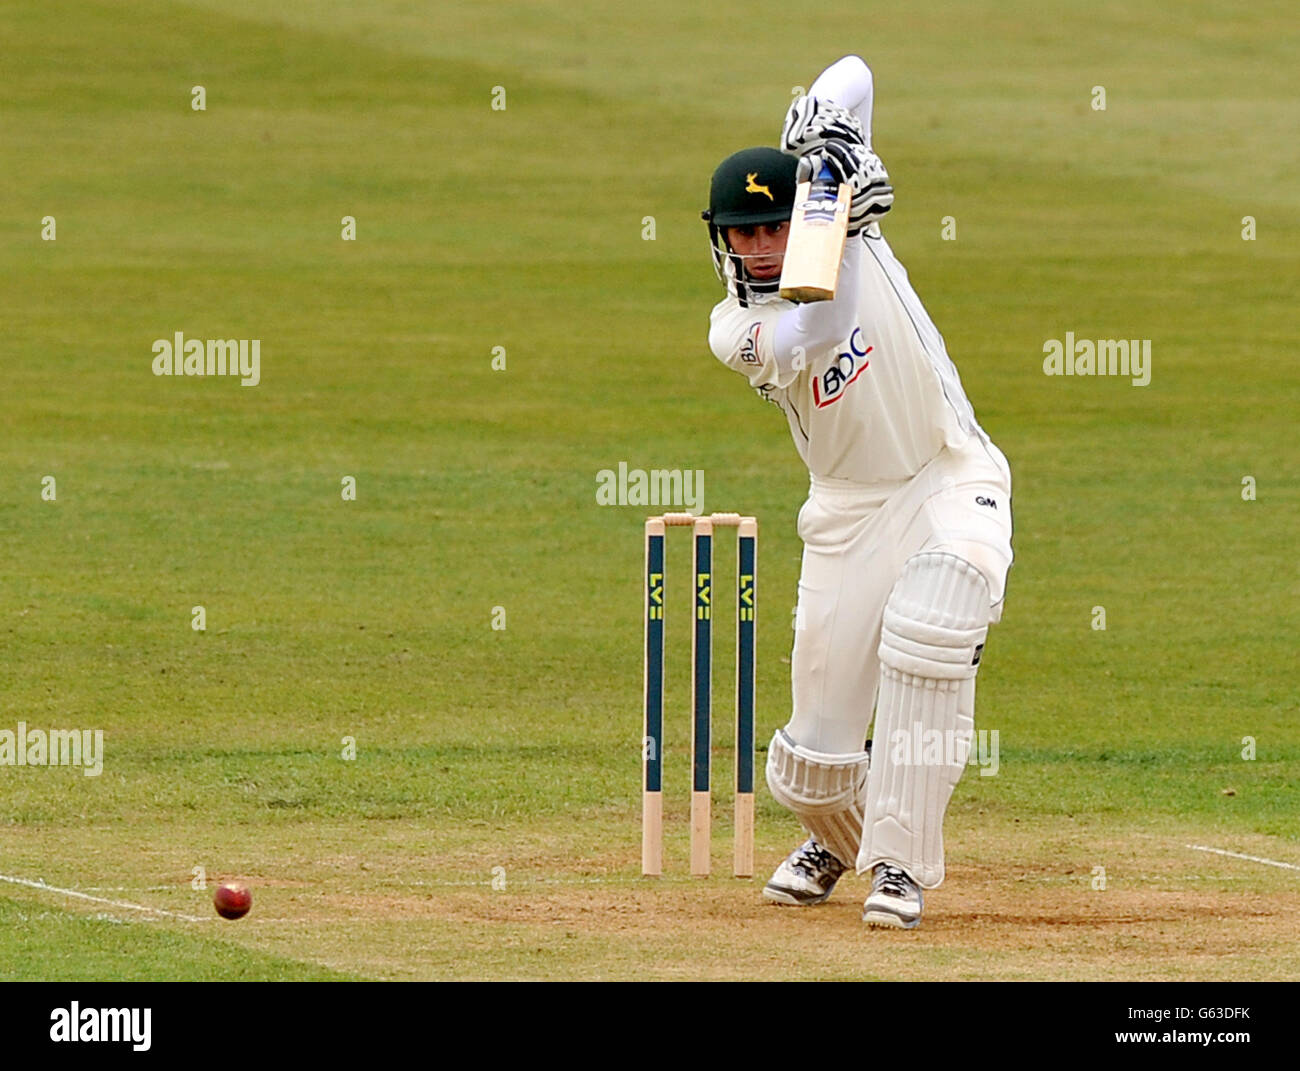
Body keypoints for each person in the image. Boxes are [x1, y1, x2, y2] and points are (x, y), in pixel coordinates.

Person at [702, 56, 1013, 929]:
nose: (760, 246)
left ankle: (901, 865)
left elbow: (855, 75)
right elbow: (825, 318)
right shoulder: (739, 329)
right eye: (743, 232)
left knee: (935, 621)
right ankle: (840, 839)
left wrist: (827, 151)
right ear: (721, 239)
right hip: (844, 512)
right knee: (812, 765)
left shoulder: (841, 215)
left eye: (772, 226)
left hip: (949, 472)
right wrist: (832, 220)